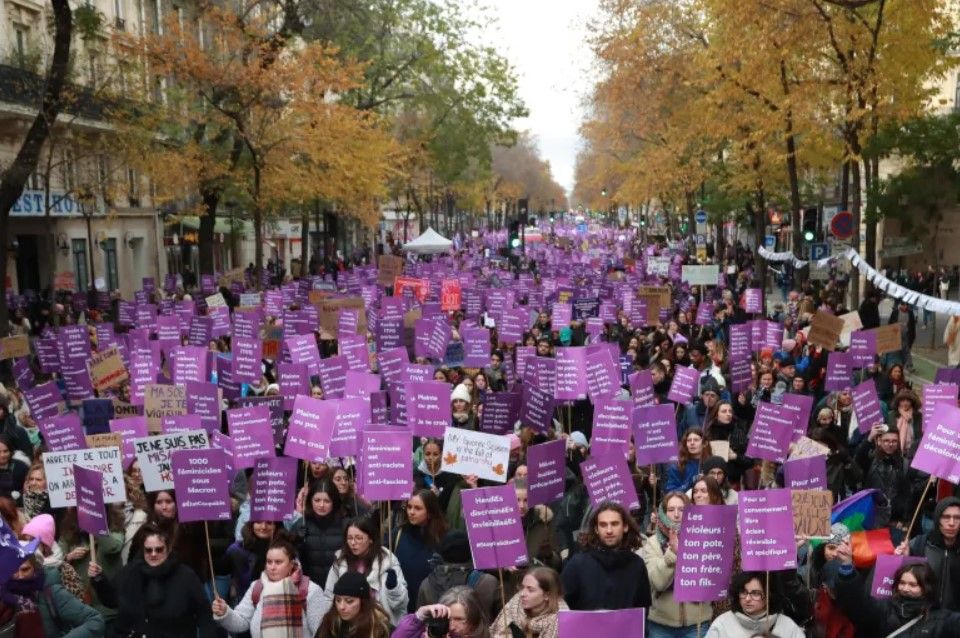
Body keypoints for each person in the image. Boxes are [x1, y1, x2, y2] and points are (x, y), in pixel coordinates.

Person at [90, 523, 217, 637]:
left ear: (168, 549)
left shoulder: (186, 576)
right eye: (148, 550)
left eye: (159, 549)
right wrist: (99, 578)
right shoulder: (130, 572)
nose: (153, 554)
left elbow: (204, 613)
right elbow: (111, 599)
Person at [212, 538, 324, 638]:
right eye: (269, 562)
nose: (272, 567)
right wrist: (225, 612)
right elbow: (242, 621)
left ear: (291, 563)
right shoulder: (257, 586)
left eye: (278, 562)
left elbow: (322, 631)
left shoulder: (310, 590)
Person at [836, 551, 960, 636]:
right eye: (902, 583)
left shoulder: (942, 620)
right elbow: (858, 602)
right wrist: (847, 570)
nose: (905, 588)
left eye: (912, 585)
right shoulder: (884, 609)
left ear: (926, 588)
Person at [641, 492, 712, 637]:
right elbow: (658, 583)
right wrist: (673, 553)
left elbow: (710, 578)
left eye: (682, 509)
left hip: (697, 623)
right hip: (661, 626)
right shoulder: (653, 543)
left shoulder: (706, 538)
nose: (677, 514)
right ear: (663, 513)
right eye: (671, 510)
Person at [560, 501, 651, 610]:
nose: (609, 530)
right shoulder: (577, 564)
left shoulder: (637, 564)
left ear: (625, 526)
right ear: (596, 529)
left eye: (614, 524)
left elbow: (642, 610)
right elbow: (562, 605)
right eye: (603, 525)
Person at [322, 515, 409, 625]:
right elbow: (329, 597)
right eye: (350, 538)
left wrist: (393, 588)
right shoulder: (340, 561)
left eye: (359, 538)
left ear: (370, 539)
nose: (353, 543)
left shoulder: (388, 561)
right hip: (347, 626)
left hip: (380, 625)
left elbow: (401, 604)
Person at [4, 553, 104, 637]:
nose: (20, 576)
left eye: (25, 569)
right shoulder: (4, 595)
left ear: (34, 569)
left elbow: (94, 620)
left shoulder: (50, 591)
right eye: (14, 570)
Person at [417, 530, 500, 622]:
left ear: (442, 553)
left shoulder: (426, 585)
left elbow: (421, 621)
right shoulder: (489, 582)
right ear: (470, 551)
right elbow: (501, 620)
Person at [898, 496, 960, 611]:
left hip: (954, 621)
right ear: (937, 519)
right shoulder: (919, 544)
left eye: (957, 518)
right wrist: (905, 559)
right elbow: (902, 583)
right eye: (946, 517)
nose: (952, 523)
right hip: (923, 617)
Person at [392, 490, 447, 612]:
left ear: (430, 512)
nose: (411, 512)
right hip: (401, 605)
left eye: (417, 508)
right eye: (409, 507)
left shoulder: (443, 538)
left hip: (431, 606)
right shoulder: (398, 533)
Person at [705, 572, 805, 638]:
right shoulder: (722, 624)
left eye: (755, 593)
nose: (747, 599)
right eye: (743, 592)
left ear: (769, 595)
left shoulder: (787, 626)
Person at [290, 480, 346, 586]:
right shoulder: (301, 524)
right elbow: (290, 558)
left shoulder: (344, 524)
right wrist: (296, 541)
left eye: (327, 501)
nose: (321, 505)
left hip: (339, 586)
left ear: (334, 502)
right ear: (310, 500)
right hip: (309, 587)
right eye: (317, 500)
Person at [491, 567, 567, 638]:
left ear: (546, 595)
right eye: (522, 587)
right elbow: (499, 630)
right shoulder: (515, 603)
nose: (522, 594)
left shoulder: (562, 621)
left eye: (530, 590)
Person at [392, 586, 491, 638]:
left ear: (474, 619)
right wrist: (417, 618)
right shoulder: (430, 634)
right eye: (447, 619)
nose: (451, 626)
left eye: (459, 619)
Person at [316, 571, 392, 638]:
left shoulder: (379, 627)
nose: (341, 607)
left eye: (349, 601)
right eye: (338, 600)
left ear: (363, 602)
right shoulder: (330, 623)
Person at [664, 429, 713, 493]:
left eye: (696, 440)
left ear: (705, 443)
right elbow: (671, 491)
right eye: (689, 440)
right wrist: (690, 484)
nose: (692, 443)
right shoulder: (677, 464)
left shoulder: (711, 463)